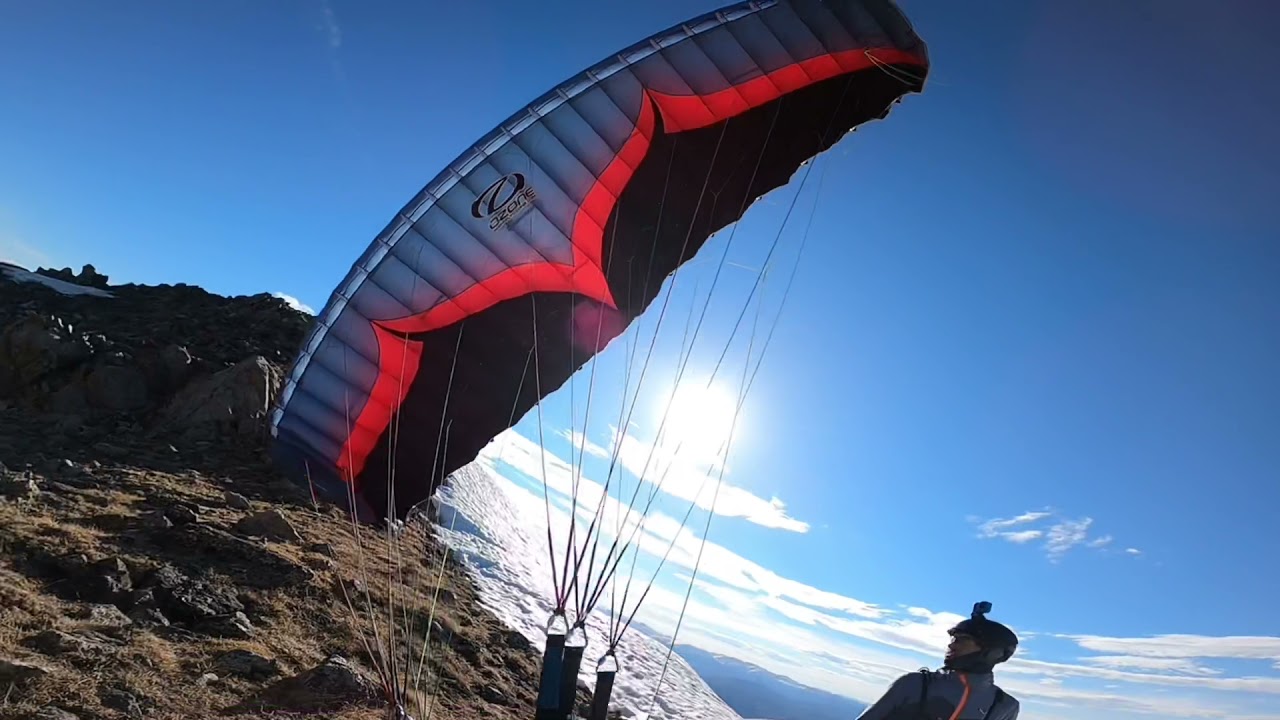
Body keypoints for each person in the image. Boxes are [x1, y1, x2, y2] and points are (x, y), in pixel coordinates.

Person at [856, 601, 1020, 719]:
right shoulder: (914, 684)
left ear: (992, 653)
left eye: (962, 640)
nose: (951, 645)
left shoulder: (1003, 706)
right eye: (953, 639)